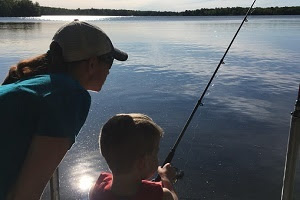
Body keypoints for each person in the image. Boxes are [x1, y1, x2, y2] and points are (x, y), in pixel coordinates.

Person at [0, 20, 128, 200]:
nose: (109, 71)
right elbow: (23, 195)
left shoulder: (35, 85)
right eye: (109, 62)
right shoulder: (69, 96)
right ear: (92, 64)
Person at [89, 113, 178, 200]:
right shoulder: (162, 195)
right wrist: (166, 179)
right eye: (156, 153)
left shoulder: (96, 189)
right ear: (142, 163)